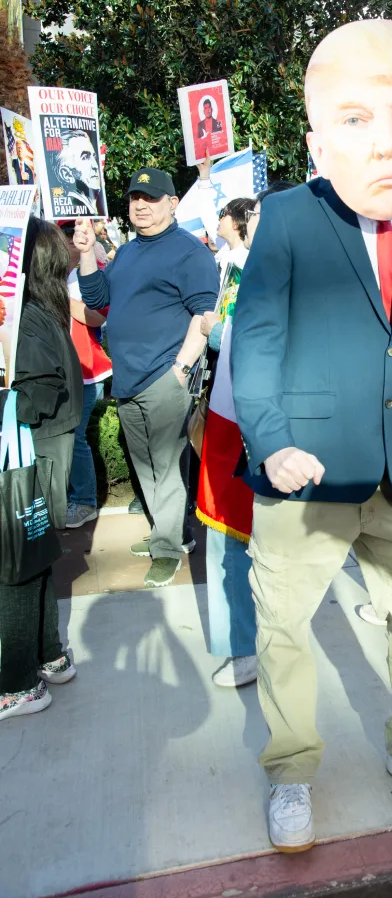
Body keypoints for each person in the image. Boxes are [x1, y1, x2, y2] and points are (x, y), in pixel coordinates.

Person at [231, 19, 392, 854]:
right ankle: (292, 772)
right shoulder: (285, 218)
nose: (384, 140)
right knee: (284, 629)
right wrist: (269, 440)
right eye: (355, 120)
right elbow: (258, 340)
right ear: (319, 140)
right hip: (302, 471)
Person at [73, 167, 219, 588]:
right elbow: (99, 300)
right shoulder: (130, 251)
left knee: (168, 468)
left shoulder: (190, 252)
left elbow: (204, 313)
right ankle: (170, 534)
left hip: (164, 377)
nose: (140, 204)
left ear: (172, 204)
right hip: (130, 378)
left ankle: (168, 549)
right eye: (135, 196)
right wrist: (86, 253)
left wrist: (180, 369)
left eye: (151, 198)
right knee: (147, 467)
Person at [197, 184, 296, 689]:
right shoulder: (248, 267)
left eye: (255, 211)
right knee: (231, 542)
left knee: (258, 546)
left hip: (268, 427)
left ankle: (255, 647)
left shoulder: (290, 270)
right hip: (236, 419)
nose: (246, 219)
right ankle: (242, 645)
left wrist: (217, 331)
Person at [0, 218, 83, 721]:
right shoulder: (41, 310)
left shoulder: (28, 317)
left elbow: (38, 390)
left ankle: (16, 683)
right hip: (42, 455)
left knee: (15, 569)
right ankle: (48, 655)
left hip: (33, 456)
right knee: (31, 558)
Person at [57, 222, 113, 529]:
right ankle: (68, 496)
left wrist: (64, 301)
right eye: (65, 238)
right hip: (60, 370)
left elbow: (99, 316)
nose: (67, 243)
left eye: (70, 238)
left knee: (76, 437)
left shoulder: (86, 276)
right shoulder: (55, 276)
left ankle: (85, 501)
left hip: (87, 370)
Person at [52, 129, 104, 218]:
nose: (95, 166)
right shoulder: (72, 216)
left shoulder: (91, 210)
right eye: (84, 157)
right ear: (66, 174)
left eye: (93, 157)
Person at [214, 197, 252, 273]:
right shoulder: (221, 256)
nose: (219, 219)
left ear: (236, 222)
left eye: (223, 214)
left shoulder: (245, 260)